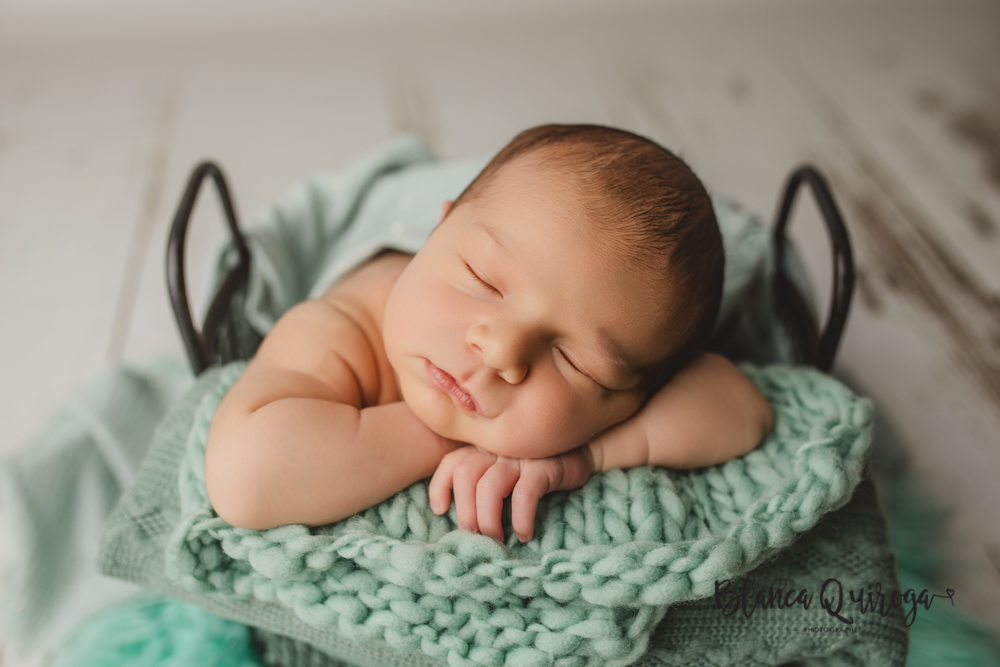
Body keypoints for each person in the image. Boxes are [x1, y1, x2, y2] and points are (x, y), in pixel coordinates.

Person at [204, 124, 774, 544]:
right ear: (439, 229)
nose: (500, 348)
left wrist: (584, 456)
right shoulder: (338, 329)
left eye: (576, 363)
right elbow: (243, 479)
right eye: (481, 281)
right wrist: (454, 438)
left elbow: (742, 407)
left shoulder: (628, 348)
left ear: (631, 397)